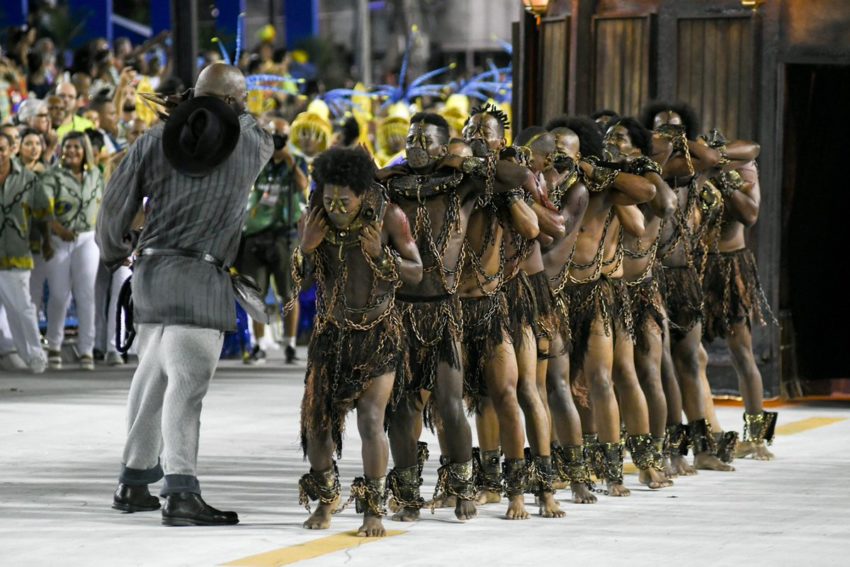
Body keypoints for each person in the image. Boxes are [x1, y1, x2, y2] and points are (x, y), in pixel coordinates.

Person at [97, 63, 273, 525]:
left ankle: (133, 481)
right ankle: (180, 491)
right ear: (234, 102)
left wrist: (116, 251)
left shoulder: (153, 140)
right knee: (186, 387)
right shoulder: (250, 145)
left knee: (152, 377)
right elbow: (253, 125)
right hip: (201, 280)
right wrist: (218, 107)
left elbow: (112, 213)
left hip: (151, 275)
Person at [378, 112, 544, 523]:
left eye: (426, 140)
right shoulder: (393, 185)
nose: (416, 145)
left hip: (444, 309)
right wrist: (378, 172)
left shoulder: (461, 183)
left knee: (452, 403)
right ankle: (407, 496)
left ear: (442, 145)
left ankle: (465, 487)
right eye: (411, 138)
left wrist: (465, 159)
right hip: (401, 309)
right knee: (402, 406)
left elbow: (514, 175)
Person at [293, 147, 423, 537]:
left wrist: (381, 255)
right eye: (329, 199)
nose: (335, 209)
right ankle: (326, 499)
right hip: (331, 335)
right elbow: (297, 281)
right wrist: (306, 247)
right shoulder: (313, 219)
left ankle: (374, 510)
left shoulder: (389, 216)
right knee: (318, 426)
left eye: (343, 202)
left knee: (370, 420)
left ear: (362, 194)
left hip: (378, 335)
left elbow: (416, 272)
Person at [548, 116, 656, 496]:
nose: (558, 155)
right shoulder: (541, 185)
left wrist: (599, 174)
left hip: (597, 292)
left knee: (603, 378)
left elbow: (643, 210)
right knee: (558, 384)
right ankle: (567, 465)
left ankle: (618, 470)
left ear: (582, 153)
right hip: (555, 294)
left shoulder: (602, 184)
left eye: (565, 149)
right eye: (552, 148)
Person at [458, 104, 541, 519]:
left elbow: (533, 229)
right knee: (459, 399)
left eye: (485, 131)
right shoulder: (452, 178)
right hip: (450, 307)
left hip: (495, 303)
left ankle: (519, 490)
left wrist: (504, 190)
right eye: (470, 130)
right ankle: (473, 483)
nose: (476, 136)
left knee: (508, 393)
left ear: (500, 141)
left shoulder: (508, 180)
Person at [640, 101, 732, 472]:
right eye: (660, 128)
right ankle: (671, 451)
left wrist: (681, 138)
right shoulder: (650, 171)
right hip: (654, 277)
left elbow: (713, 157)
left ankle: (705, 448)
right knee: (662, 365)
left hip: (686, 278)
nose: (668, 135)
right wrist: (662, 143)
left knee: (691, 360)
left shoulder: (693, 172)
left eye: (675, 128)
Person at [699, 129, 777, 460]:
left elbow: (750, 214)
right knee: (689, 356)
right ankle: (697, 438)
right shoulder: (693, 170)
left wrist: (723, 178)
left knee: (742, 353)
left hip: (731, 266)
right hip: (695, 269)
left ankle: (759, 437)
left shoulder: (742, 169)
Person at [236, 116, 308, 364]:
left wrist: (289, 161)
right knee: (255, 294)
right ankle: (258, 345)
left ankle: (290, 345)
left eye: (281, 136)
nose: (277, 140)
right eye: (272, 135)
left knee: (289, 294)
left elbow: (302, 185)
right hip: (256, 233)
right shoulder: (256, 160)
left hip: (285, 235)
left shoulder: (296, 160)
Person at [38, 131, 103, 370]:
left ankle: (86, 350)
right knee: (58, 295)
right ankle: (54, 345)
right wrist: (57, 228)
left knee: (86, 294)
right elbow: (44, 207)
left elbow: (103, 204)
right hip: (58, 239)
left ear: (85, 150)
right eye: (67, 146)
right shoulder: (52, 175)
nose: (72, 151)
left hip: (87, 238)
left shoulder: (95, 175)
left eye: (77, 147)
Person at [0, 132, 51, 374]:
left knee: (23, 307)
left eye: (2, 148)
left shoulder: (28, 179)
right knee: (10, 311)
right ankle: (22, 353)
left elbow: (43, 212)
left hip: (17, 253)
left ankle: (36, 354)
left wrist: (47, 241)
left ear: (12, 149)